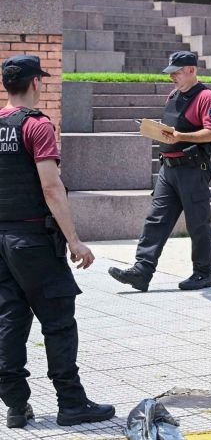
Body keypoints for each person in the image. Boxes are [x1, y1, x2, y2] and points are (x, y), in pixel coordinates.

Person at [0, 55, 115, 428]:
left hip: (2, 241)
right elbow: (51, 188)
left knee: (9, 320)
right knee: (58, 321)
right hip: (33, 241)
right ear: (36, 83)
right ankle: (71, 403)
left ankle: (16, 406)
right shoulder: (36, 126)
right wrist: (75, 241)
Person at [108, 51, 211, 292]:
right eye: (170, 73)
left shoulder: (206, 97)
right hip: (168, 169)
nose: (172, 77)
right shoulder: (173, 94)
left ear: (191, 70)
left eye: (176, 73)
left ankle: (203, 274)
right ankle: (142, 271)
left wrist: (181, 136)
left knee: (198, 224)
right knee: (155, 220)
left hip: (192, 170)